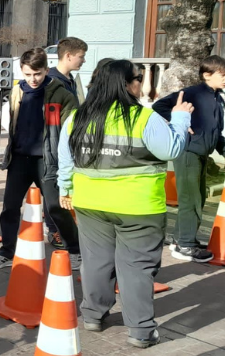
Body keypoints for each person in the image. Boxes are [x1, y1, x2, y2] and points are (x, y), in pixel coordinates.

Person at [59, 59, 192, 349]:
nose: (140, 81)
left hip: (90, 203)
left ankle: (93, 315)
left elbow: (65, 157)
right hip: (138, 208)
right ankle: (141, 331)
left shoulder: (78, 117)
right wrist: (181, 119)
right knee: (136, 268)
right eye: (138, 77)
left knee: (96, 261)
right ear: (127, 84)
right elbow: (170, 148)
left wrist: (64, 189)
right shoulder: (144, 117)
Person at [0, 48, 81, 270]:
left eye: (37, 73)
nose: (33, 79)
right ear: (21, 71)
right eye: (28, 74)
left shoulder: (63, 95)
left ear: (46, 70)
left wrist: (66, 164)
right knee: (9, 207)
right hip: (19, 159)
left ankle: (75, 250)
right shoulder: (17, 92)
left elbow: (71, 133)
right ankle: (6, 252)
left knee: (56, 208)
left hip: (47, 161)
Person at [152, 55, 225, 263]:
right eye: (222, 75)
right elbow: (159, 106)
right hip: (188, 152)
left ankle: (182, 239)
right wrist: (177, 121)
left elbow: (216, 132)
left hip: (202, 154)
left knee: (198, 198)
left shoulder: (217, 98)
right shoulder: (192, 93)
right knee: (190, 199)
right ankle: (185, 245)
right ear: (207, 75)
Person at [49, 37, 88, 102]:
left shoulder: (70, 79)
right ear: (68, 56)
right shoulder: (52, 81)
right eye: (81, 57)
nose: (84, 60)